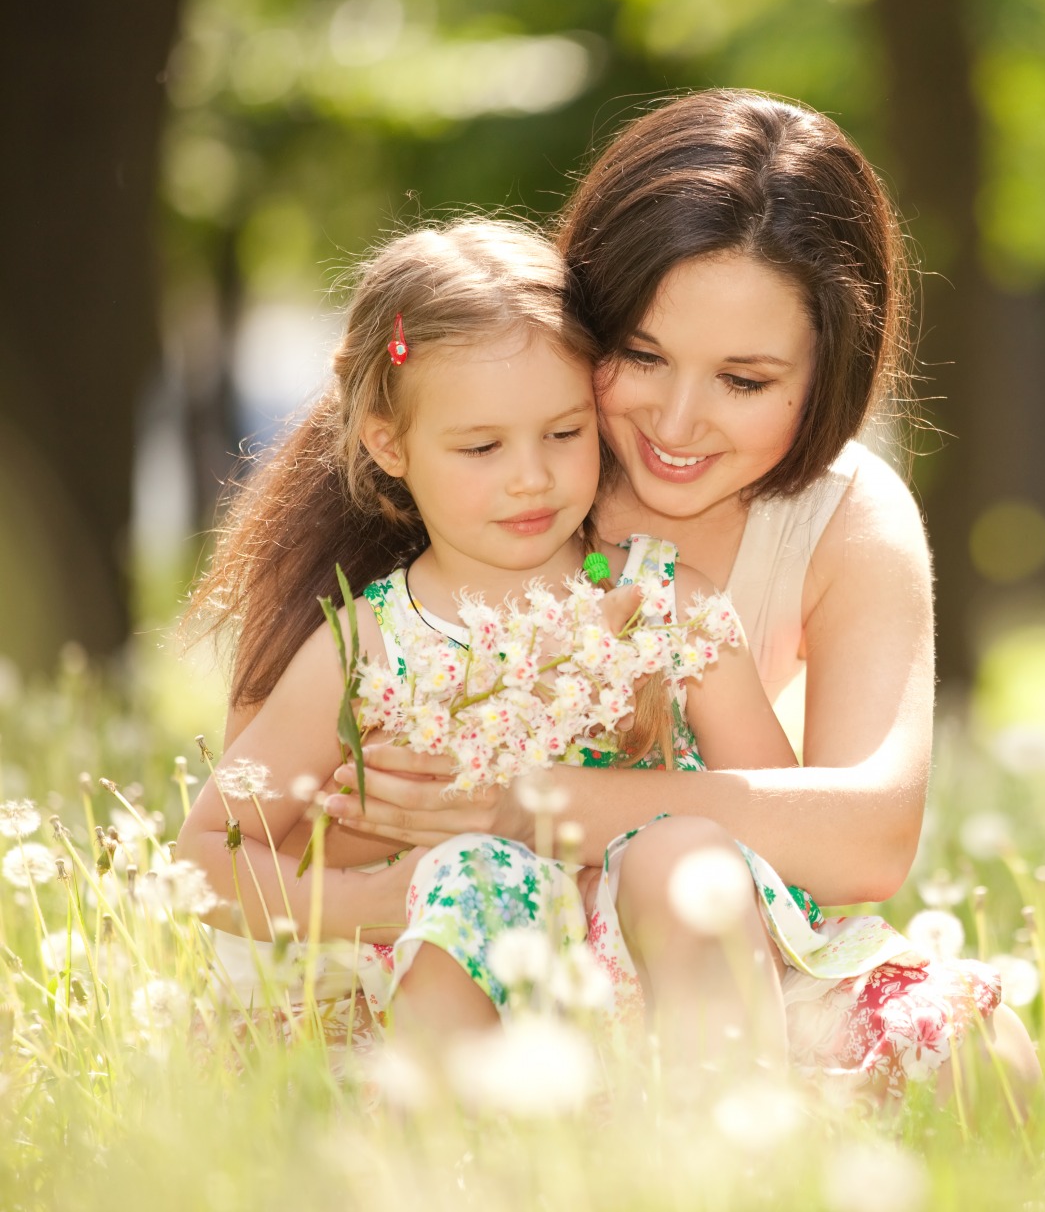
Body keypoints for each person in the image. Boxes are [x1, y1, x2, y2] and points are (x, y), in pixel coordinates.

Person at [313, 89, 1039, 1100]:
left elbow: (869, 837)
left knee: (982, 1060)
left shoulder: (843, 517)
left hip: (716, 952)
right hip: (492, 960)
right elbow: (292, 811)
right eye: (642, 356)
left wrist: (560, 800)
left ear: (830, 372)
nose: (679, 422)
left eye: (744, 380)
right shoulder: (484, 463)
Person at [175, 218, 794, 1038]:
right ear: (389, 445)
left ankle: (719, 1139)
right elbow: (206, 857)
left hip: (651, 1000)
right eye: (481, 448)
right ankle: (449, 1143)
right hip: (439, 998)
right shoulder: (370, 646)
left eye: (564, 433)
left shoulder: (669, 608)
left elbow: (788, 827)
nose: (531, 477)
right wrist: (387, 901)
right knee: (474, 878)